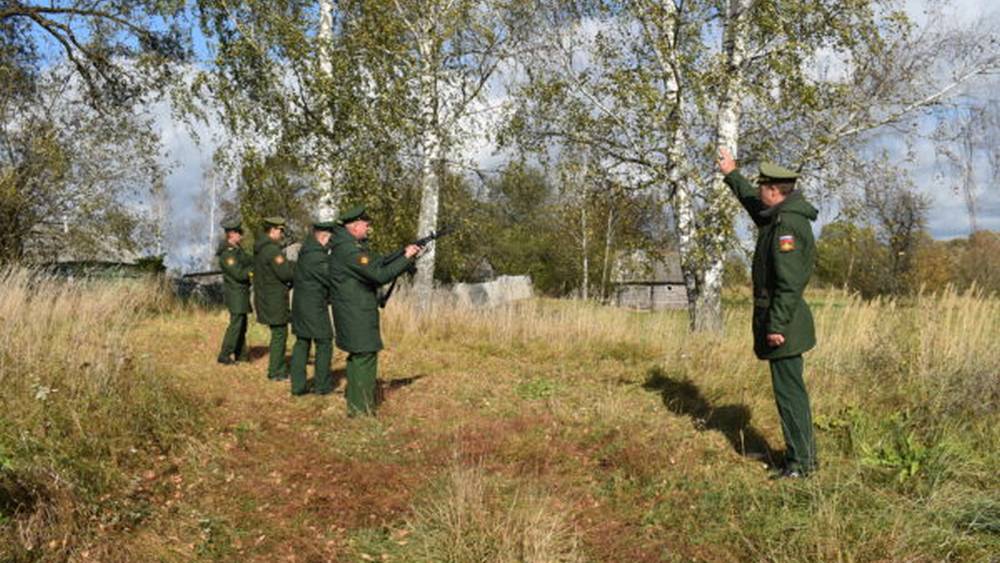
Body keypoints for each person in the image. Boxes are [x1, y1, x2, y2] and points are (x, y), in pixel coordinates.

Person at [718, 147, 819, 478]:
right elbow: (753, 203)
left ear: (775, 191)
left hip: (784, 325)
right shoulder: (778, 216)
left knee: (790, 396)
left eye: (762, 186)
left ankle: (801, 465)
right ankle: (804, 457)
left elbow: (788, 284)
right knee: (791, 393)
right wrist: (731, 174)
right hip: (784, 321)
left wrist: (775, 325)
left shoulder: (787, 226)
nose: (759, 190)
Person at [329, 205, 420, 416]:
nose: (368, 229)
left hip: (352, 310)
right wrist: (406, 258)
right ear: (354, 225)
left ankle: (355, 401)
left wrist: (402, 253)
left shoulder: (346, 246)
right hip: (357, 313)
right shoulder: (350, 251)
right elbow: (379, 275)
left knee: (357, 356)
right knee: (365, 356)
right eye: (366, 225)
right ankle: (361, 410)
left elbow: (377, 261)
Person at [289, 220, 336, 396]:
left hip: (301, 305)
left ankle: (298, 386)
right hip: (314, 307)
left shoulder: (307, 251)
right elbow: (331, 278)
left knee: (302, 343)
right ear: (323, 237)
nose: (331, 242)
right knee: (324, 342)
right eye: (330, 238)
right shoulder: (317, 256)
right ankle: (321, 386)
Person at [253, 217, 295, 381]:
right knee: (279, 334)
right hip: (274, 299)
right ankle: (276, 371)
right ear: (273, 230)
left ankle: (276, 369)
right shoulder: (271, 250)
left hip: (267, 297)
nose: (282, 233)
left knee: (278, 333)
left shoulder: (262, 248)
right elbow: (285, 273)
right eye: (280, 230)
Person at [216, 218, 252, 365]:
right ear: (231, 234)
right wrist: (253, 271)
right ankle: (224, 355)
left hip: (241, 293)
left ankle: (241, 354)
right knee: (236, 325)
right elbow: (239, 273)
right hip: (235, 294)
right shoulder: (227, 254)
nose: (241, 235)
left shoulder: (238, 250)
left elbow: (249, 259)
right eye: (239, 233)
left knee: (242, 325)